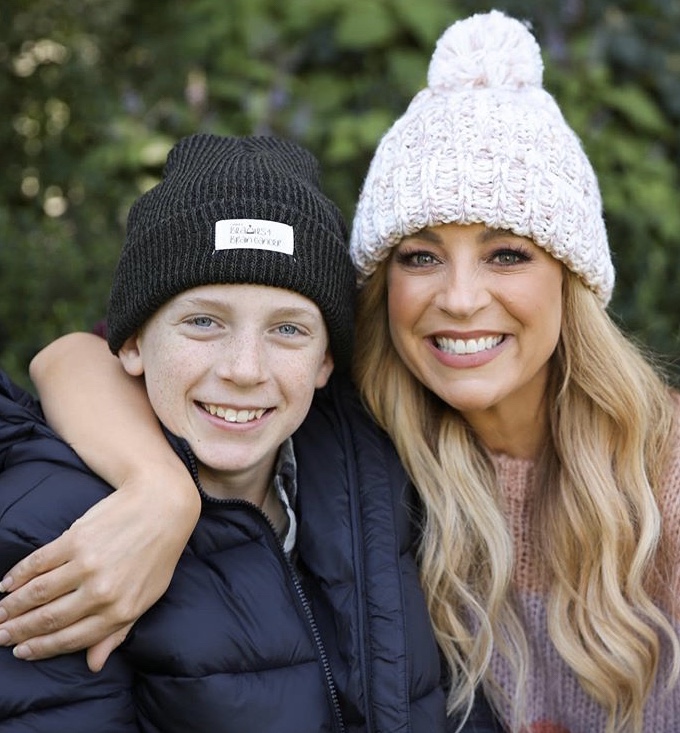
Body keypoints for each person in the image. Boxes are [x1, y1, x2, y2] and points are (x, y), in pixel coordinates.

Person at [3, 8, 677, 732]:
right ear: (380, 287)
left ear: (573, 279)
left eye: (507, 254)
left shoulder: (659, 473)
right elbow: (82, 355)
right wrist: (159, 490)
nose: (459, 298)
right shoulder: (365, 418)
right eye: (420, 256)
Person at [0, 133, 480, 732]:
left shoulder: (382, 482)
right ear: (132, 343)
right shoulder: (64, 527)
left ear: (327, 361)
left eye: (288, 330)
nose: (245, 369)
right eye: (204, 321)